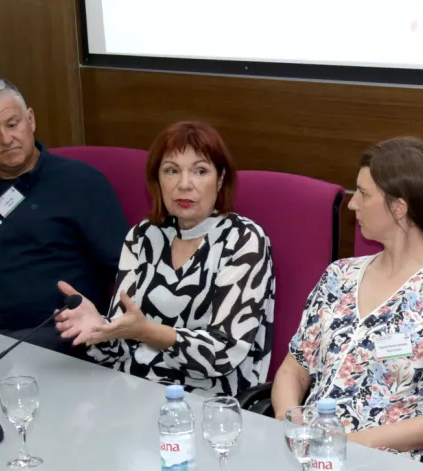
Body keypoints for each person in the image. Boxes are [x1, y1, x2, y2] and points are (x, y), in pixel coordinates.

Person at [270, 137, 423, 464]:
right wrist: (292, 424)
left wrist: (350, 443)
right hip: (310, 456)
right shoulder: (338, 276)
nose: (352, 203)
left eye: (363, 193)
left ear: (398, 207)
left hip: (389, 467)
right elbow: (293, 369)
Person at [55, 121, 275, 396]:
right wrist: (100, 330)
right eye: (172, 171)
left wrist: (146, 331)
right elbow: (119, 347)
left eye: (200, 171)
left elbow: (223, 353)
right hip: (131, 392)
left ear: (219, 179)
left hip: (210, 403)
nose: (184, 184)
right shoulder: (143, 236)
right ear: (157, 180)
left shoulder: (244, 240)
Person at [0, 79, 128, 352]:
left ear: (30, 119)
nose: (5, 139)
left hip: (56, 339)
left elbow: (125, 270)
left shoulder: (82, 184)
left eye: (13, 124)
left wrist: (106, 326)